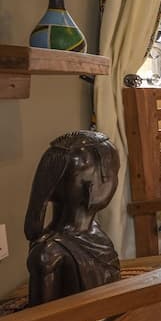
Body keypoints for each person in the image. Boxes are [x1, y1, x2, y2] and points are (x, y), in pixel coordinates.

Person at [24, 131, 121, 306]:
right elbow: (42, 319)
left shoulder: (95, 230)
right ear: (90, 187)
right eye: (114, 173)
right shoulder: (49, 254)